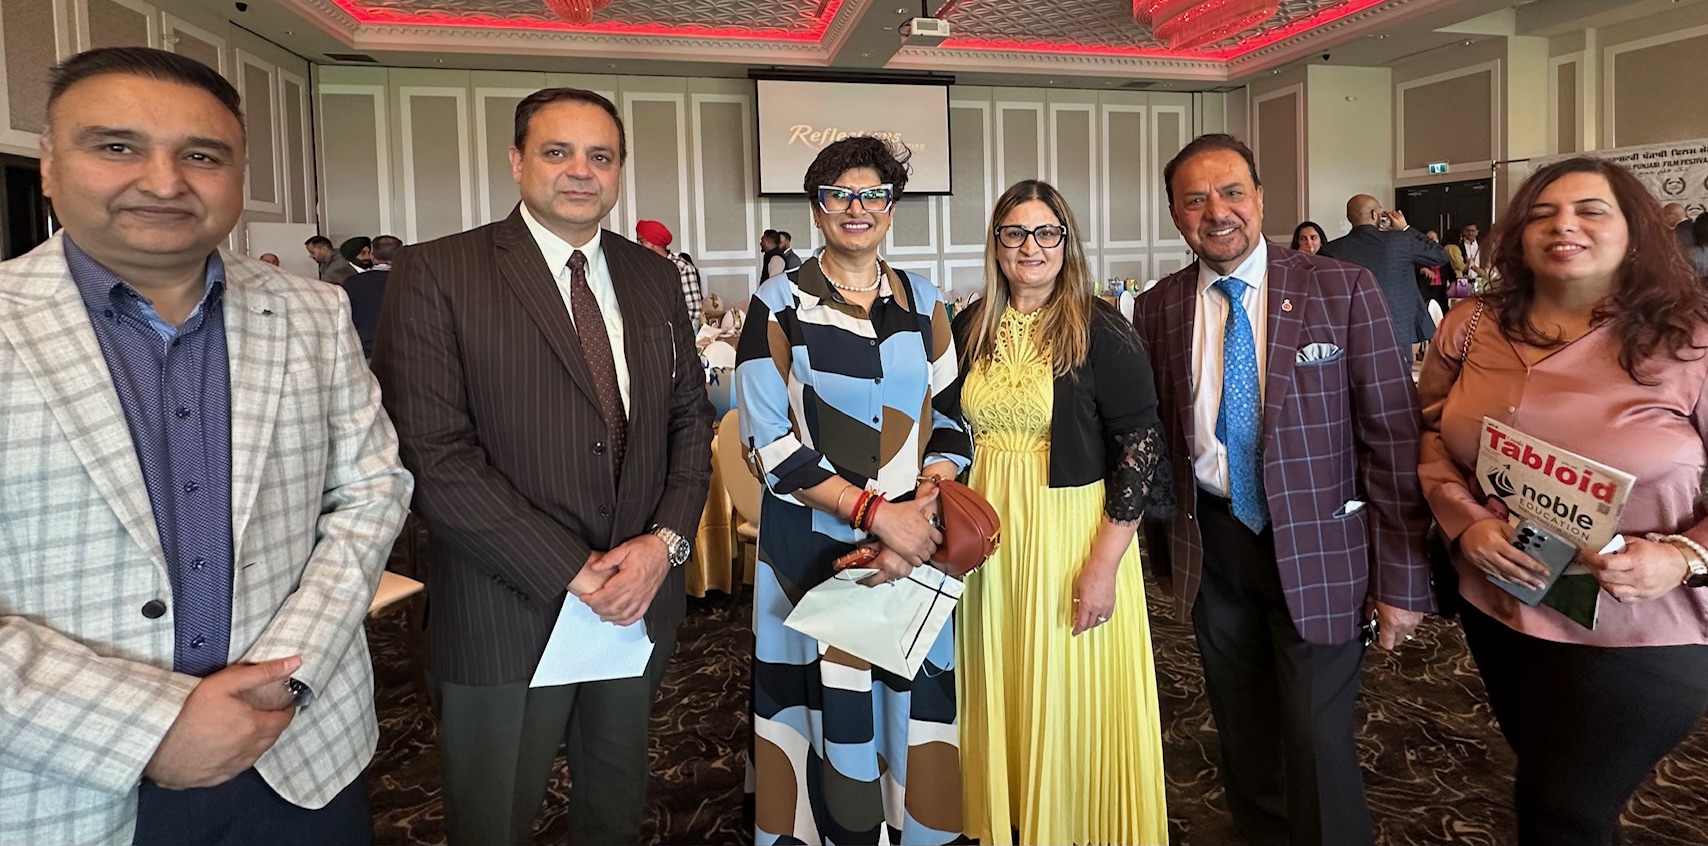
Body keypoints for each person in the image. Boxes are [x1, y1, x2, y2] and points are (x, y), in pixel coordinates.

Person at [0, 46, 413, 845]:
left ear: (239, 174)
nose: (163, 182)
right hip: (49, 784)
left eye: (200, 155)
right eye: (116, 146)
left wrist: (284, 677)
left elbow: (372, 491)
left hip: (296, 751)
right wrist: (147, 726)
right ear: (48, 164)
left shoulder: (311, 314)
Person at [372, 87, 714, 846]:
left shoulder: (652, 276)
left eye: (601, 156)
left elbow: (689, 420)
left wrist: (664, 546)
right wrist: (573, 569)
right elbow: (432, 454)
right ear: (517, 160)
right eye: (558, 152)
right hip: (504, 605)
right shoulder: (440, 271)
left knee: (616, 806)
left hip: (635, 598)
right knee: (493, 818)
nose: (581, 171)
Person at [1133, 134, 1432, 846]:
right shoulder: (1158, 307)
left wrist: (1401, 580)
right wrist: (1164, 556)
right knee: (1243, 734)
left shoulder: (1340, 288)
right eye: (1195, 199)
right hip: (1215, 550)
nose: (1217, 211)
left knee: (1317, 741)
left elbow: (1393, 440)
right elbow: (1161, 437)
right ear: (1174, 214)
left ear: (1261, 199)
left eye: (1232, 192)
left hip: (1323, 548)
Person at [1418, 157, 1708, 846]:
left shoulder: (1692, 340)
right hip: (1502, 603)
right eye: (1543, 214)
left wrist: (1681, 555)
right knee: (1554, 774)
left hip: (1643, 626)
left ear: (1635, 232)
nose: (1563, 226)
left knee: (1559, 808)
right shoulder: (1471, 325)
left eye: (1590, 210)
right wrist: (1465, 524)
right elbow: (1429, 432)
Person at [735, 135, 970, 844]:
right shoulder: (777, 304)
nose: (856, 208)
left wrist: (918, 512)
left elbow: (952, 420)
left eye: (873, 195)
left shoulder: (924, 301)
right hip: (810, 547)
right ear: (817, 208)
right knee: (818, 706)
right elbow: (770, 445)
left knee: (908, 697)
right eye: (839, 195)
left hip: (913, 547)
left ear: (891, 207)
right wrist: (876, 515)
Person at [947, 179, 1172, 845]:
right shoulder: (970, 326)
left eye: (1046, 232)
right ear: (996, 244)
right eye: (1015, 233)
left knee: (1065, 687)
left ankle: (1071, 825)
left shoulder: (1101, 328)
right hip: (986, 534)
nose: (1031, 247)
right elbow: (945, 429)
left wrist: (1103, 566)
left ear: (1066, 242)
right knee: (1000, 678)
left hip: (1071, 530)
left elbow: (1140, 446)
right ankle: (1008, 815)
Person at [1317, 194, 1450, 352]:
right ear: (1375, 214)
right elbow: (1440, 256)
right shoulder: (1400, 241)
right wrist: (1405, 229)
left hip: (1352, 332)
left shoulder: (1330, 251)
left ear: (1349, 217)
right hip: (1398, 328)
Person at [635, 218, 703, 329]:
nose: (638, 246)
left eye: (642, 241)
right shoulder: (642, 268)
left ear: (655, 242)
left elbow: (694, 310)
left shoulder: (682, 268)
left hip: (679, 332)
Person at [343, 234, 399, 358]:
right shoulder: (413, 280)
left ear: (372, 256)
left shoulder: (352, 283)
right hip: (404, 351)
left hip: (365, 351)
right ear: (400, 255)